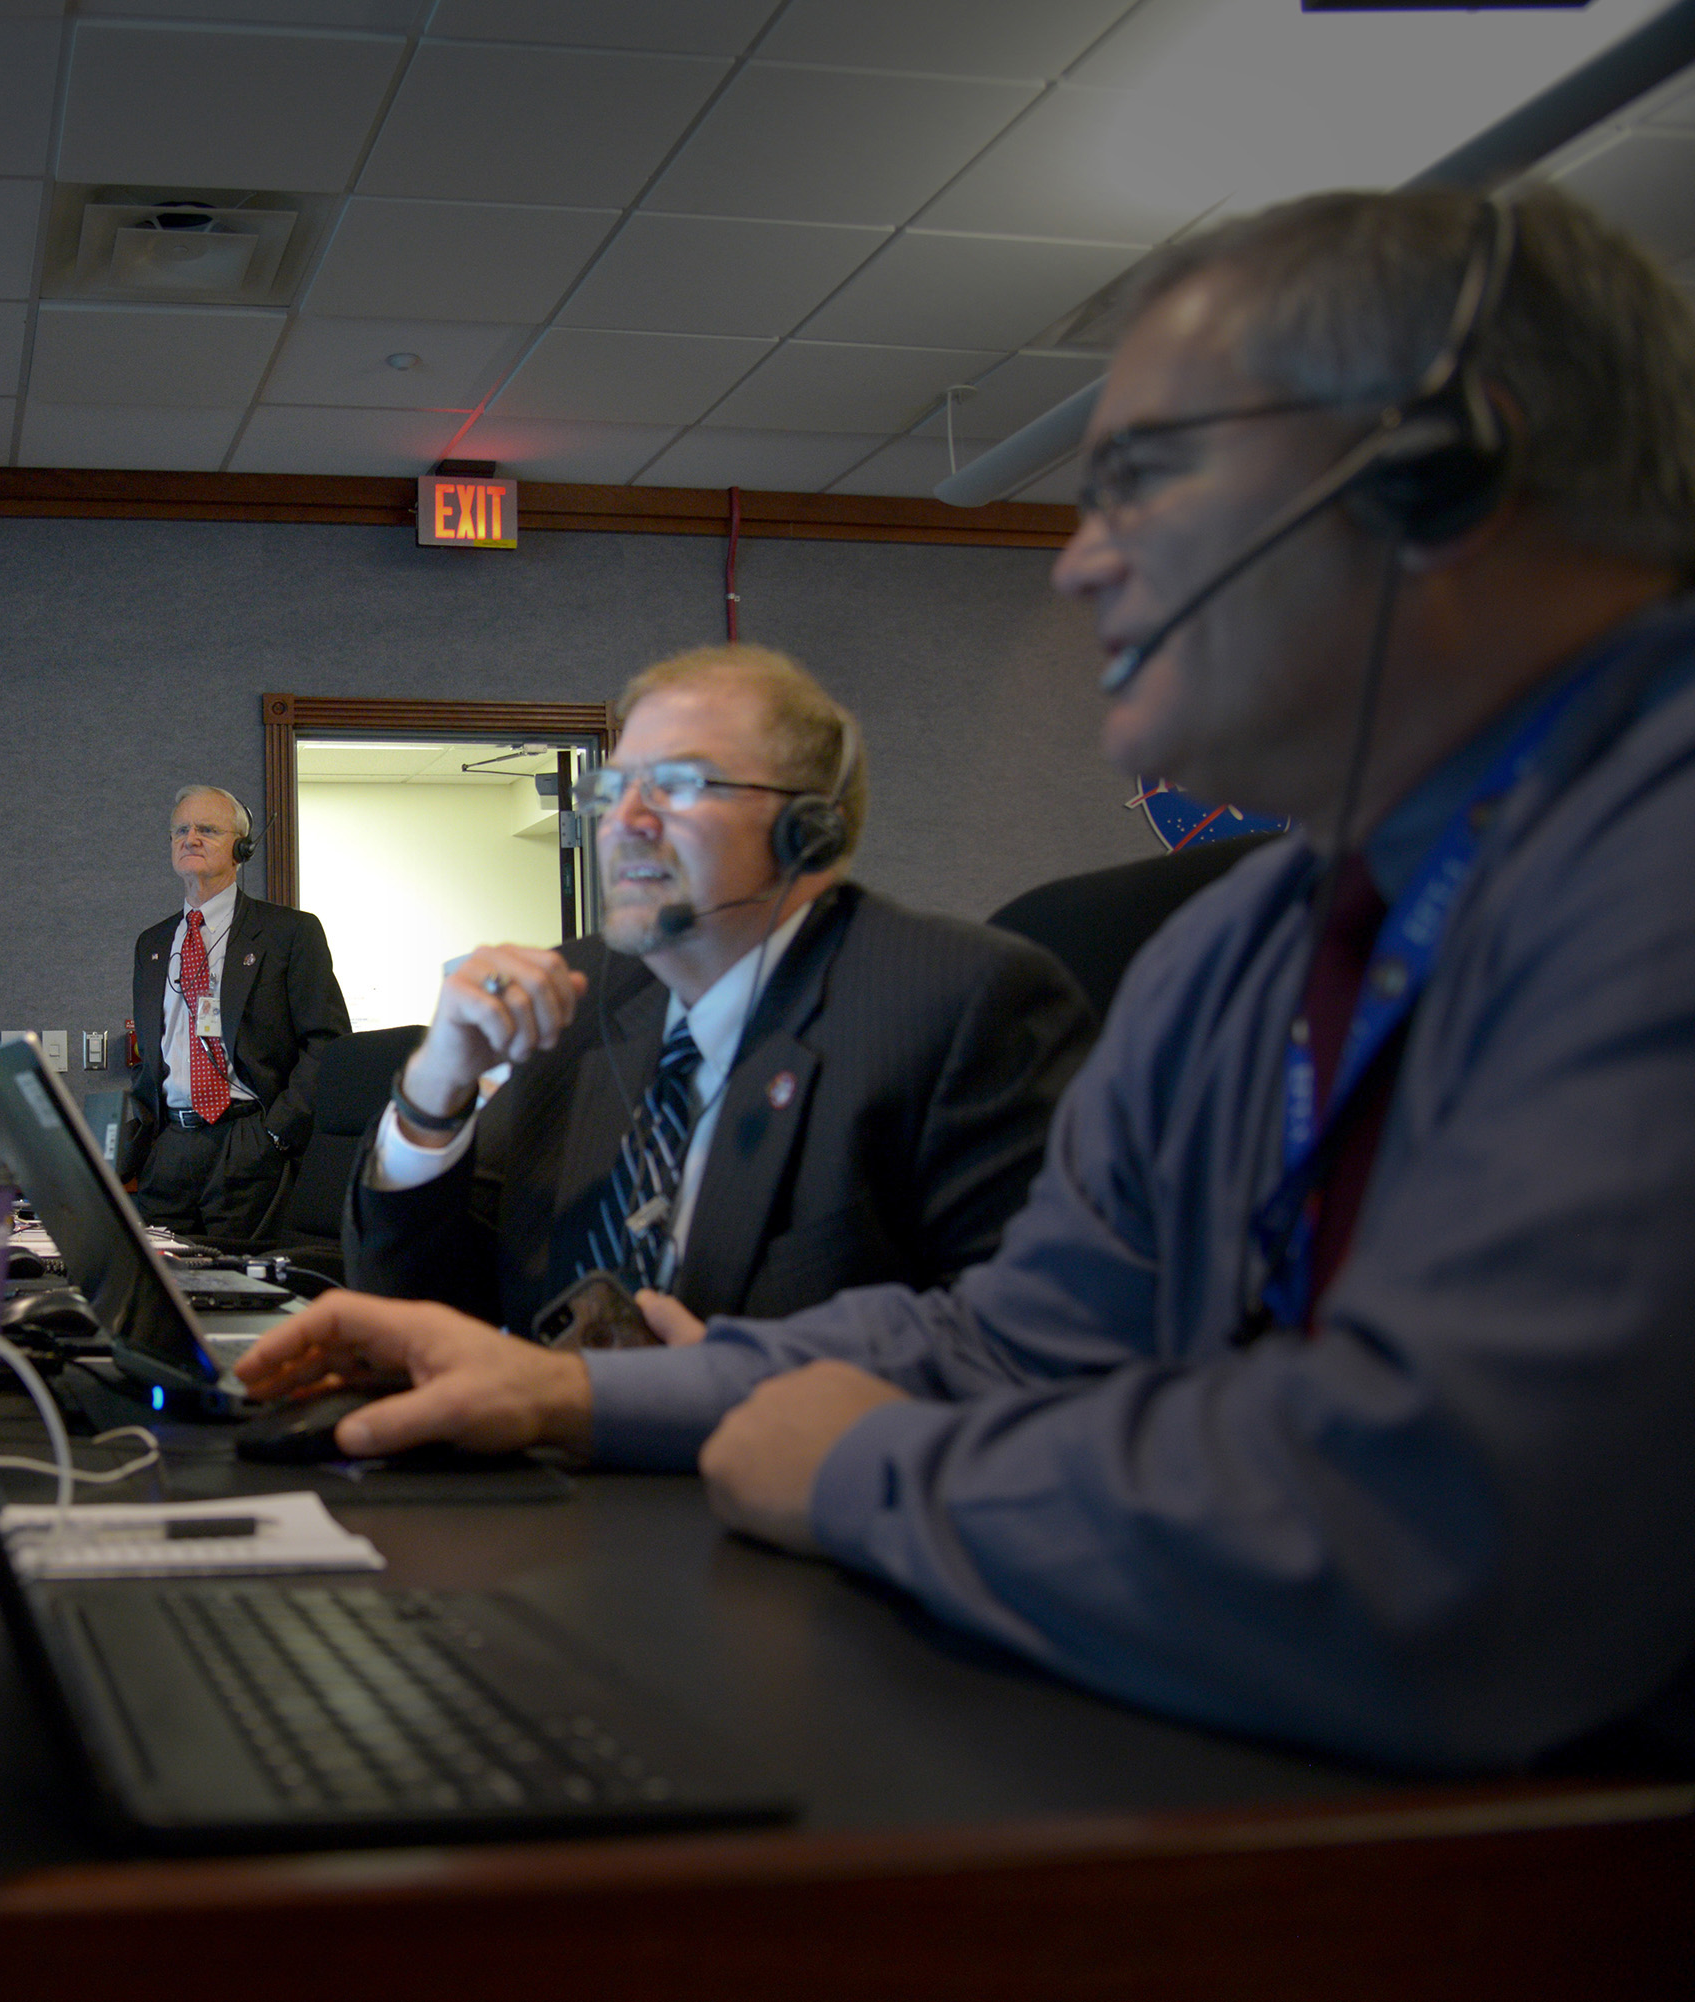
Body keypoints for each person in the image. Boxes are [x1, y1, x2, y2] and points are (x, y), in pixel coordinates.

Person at [241, 185, 1695, 1773]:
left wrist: (872, 1474)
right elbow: (1018, 1341)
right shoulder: (1253, 938)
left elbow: (1457, 1546)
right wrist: (561, 1395)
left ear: (1443, 467)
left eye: (1139, 479)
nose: (1075, 566)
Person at [346, 644, 1093, 1336]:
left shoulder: (956, 1002)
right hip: (555, 1469)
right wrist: (435, 1088)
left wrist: (721, 1391)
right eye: (614, 788)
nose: (625, 822)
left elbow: (1028, 1344)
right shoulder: (582, 994)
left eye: (678, 784)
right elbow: (416, 1310)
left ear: (808, 831)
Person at [117, 784, 350, 1239]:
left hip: (248, 1141)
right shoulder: (152, 944)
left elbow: (328, 1042)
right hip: (169, 1147)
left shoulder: (289, 932)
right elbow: (156, 1051)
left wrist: (277, 1134)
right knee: (159, 1289)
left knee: (241, 1289)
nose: (191, 839)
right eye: (181, 830)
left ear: (241, 849)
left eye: (207, 829)